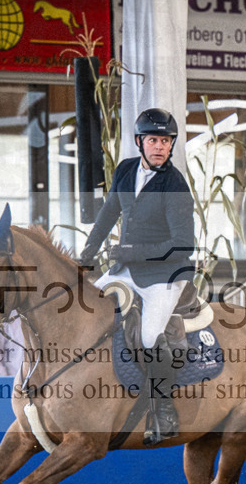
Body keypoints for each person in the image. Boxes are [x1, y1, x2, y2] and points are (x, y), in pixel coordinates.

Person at [79, 107, 196, 445]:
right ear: (139, 142)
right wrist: (87, 253)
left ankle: (163, 410)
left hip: (164, 275)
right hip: (126, 270)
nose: (160, 147)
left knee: (148, 336)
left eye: (166, 141)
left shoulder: (175, 185)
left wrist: (134, 253)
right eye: (153, 140)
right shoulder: (126, 170)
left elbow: (183, 245)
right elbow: (108, 214)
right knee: (86, 309)